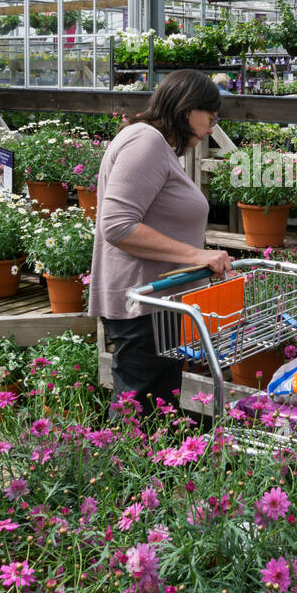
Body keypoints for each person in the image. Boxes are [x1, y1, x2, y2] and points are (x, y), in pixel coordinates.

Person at [89, 70, 233, 417]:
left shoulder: (152, 143)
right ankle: (113, 471)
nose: (211, 129)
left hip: (157, 306)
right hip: (144, 307)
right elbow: (118, 225)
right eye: (209, 118)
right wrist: (198, 255)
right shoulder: (146, 142)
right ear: (187, 109)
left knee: (154, 414)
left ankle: (136, 469)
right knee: (139, 420)